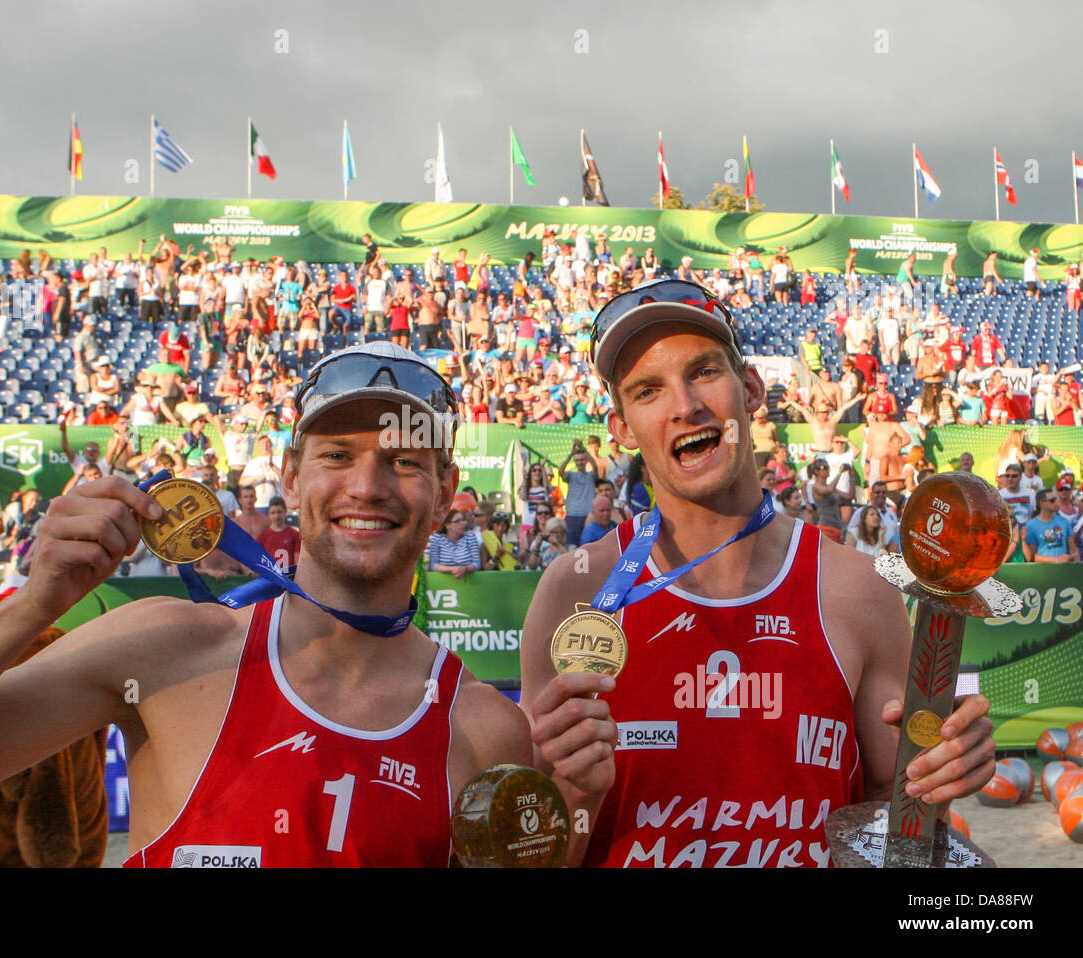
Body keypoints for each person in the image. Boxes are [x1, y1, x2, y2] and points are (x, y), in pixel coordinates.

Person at [0, 340, 531, 867]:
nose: (367, 486)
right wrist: (31, 606)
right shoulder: (171, 650)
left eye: (405, 462)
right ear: (288, 477)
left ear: (445, 494)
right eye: (337, 456)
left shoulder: (486, 729)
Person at [520, 278, 994, 868]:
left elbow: (894, 827)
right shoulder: (576, 590)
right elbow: (537, 854)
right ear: (621, 430)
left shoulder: (859, 589)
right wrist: (572, 794)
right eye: (647, 391)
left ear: (750, 390)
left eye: (703, 372)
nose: (684, 405)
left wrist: (939, 776)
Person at [1023, 489, 1077, 564]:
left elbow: (1073, 549)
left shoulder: (1064, 522)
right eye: (1052, 500)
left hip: (1063, 570)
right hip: (1043, 571)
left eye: (1056, 499)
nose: (1056, 502)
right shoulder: (1031, 526)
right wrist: (1057, 559)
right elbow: (1032, 556)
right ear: (1042, 503)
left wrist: (1078, 565)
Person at [425, 509, 480, 578]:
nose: (463, 523)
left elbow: (477, 564)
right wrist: (451, 569)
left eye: (463, 520)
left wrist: (465, 569)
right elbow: (433, 565)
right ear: (448, 525)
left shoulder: (470, 536)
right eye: (457, 521)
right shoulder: (437, 538)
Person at [256, 496, 301, 570]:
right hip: (270, 578)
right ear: (268, 514)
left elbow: (298, 563)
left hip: (288, 578)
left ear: (285, 512)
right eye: (273, 513)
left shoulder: (295, 535)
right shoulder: (262, 536)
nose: (276, 516)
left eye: (279, 512)